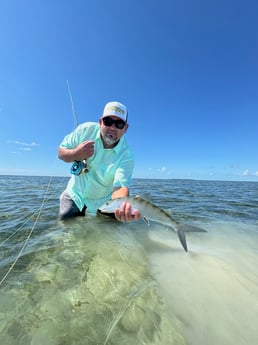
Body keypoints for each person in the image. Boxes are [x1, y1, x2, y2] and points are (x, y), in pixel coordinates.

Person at [58, 101, 141, 222]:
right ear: (100, 122)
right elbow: (61, 153)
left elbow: (120, 187)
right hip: (75, 195)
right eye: (108, 122)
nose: (112, 127)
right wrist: (76, 153)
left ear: (126, 128)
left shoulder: (127, 155)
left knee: (114, 234)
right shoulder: (84, 130)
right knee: (66, 230)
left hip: (105, 201)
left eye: (119, 124)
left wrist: (122, 207)